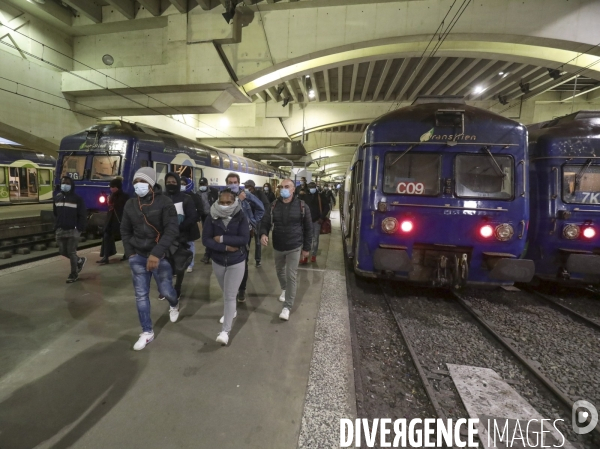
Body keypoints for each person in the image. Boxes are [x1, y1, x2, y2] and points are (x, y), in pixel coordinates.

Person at [120, 167, 181, 351]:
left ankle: (174, 303)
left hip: (159, 256)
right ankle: (147, 332)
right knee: (141, 295)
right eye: (136, 182)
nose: (138, 185)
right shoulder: (130, 205)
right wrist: (130, 253)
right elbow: (125, 230)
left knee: (166, 289)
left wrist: (156, 253)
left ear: (151, 183)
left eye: (142, 181)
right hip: (138, 256)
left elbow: (172, 230)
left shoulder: (165, 202)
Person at [201, 189, 249, 345]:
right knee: (227, 292)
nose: (224, 205)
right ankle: (232, 311)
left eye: (228, 202)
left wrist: (221, 238)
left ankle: (225, 331)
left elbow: (243, 239)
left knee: (229, 296)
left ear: (234, 201)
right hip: (218, 261)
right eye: (222, 202)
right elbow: (206, 240)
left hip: (237, 261)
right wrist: (226, 247)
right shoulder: (212, 216)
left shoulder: (241, 215)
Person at [260, 178, 312, 321]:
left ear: (293, 189)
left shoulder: (302, 206)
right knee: (279, 271)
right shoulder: (273, 206)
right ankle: (284, 288)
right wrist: (263, 233)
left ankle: (287, 307)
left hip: (294, 246)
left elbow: (308, 228)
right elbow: (265, 222)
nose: (284, 189)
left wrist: (306, 248)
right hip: (278, 245)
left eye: (287, 186)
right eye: (282, 187)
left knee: (291, 275)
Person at [224, 173, 264, 303]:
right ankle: (231, 290)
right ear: (226, 183)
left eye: (235, 182)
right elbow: (222, 212)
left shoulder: (247, 195)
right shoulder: (223, 196)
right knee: (228, 262)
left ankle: (241, 289)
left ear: (239, 183)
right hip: (228, 233)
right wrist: (238, 201)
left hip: (244, 234)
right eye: (230, 182)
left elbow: (261, 208)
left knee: (243, 262)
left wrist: (252, 222)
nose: (233, 184)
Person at [163, 172, 199, 299]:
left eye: (173, 182)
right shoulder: (161, 198)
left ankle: (177, 288)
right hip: (165, 238)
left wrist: (179, 228)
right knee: (165, 265)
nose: (171, 184)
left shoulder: (186, 198)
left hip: (182, 237)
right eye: (168, 182)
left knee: (179, 265)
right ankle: (165, 289)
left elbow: (193, 217)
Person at [54, 176, 87, 283]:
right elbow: (55, 213)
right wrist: (56, 226)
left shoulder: (77, 199)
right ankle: (79, 260)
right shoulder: (57, 198)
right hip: (60, 230)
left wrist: (79, 228)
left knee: (71, 252)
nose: (65, 185)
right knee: (62, 251)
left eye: (67, 183)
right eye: (63, 182)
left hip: (73, 230)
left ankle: (74, 274)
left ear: (71, 185)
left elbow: (82, 215)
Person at [98, 177, 129, 265]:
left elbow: (123, 208)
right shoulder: (111, 196)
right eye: (110, 187)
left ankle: (127, 254)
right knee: (107, 235)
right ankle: (105, 256)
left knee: (124, 238)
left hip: (121, 220)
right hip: (111, 220)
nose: (111, 188)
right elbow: (110, 208)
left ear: (118, 187)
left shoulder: (125, 196)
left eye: (113, 187)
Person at [243, 179, 270, 267]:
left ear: (252, 187)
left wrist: (263, 218)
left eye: (248, 187)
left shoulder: (259, 194)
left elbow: (265, 206)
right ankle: (245, 259)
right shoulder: (244, 194)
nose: (246, 188)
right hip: (248, 221)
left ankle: (258, 260)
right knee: (247, 241)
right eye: (245, 187)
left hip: (258, 221)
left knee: (257, 241)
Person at [302, 181, 329, 264]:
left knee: (315, 239)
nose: (312, 189)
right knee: (306, 239)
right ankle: (305, 256)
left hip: (317, 221)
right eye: (310, 187)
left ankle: (313, 255)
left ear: (316, 187)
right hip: (306, 221)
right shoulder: (305, 197)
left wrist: (322, 217)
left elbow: (326, 207)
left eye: (313, 187)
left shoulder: (320, 196)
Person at [181, 176, 202, 273]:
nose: (182, 186)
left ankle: (190, 264)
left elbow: (199, 210)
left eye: (184, 184)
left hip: (190, 226)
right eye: (180, 183)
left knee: (190, 245)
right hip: (178, 226)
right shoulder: (175, 195)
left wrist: (192, 219)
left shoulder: (194, 197)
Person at [197, 177, 218, 264]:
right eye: (201, 185)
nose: (202, 186)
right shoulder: (197, 194)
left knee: (215, 234)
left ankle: (211, 254)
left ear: (207, 184)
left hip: (215, 216)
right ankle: (207, 254)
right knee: (207, 235)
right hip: (204, 217)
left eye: (204, 184)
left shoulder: (213, 192)